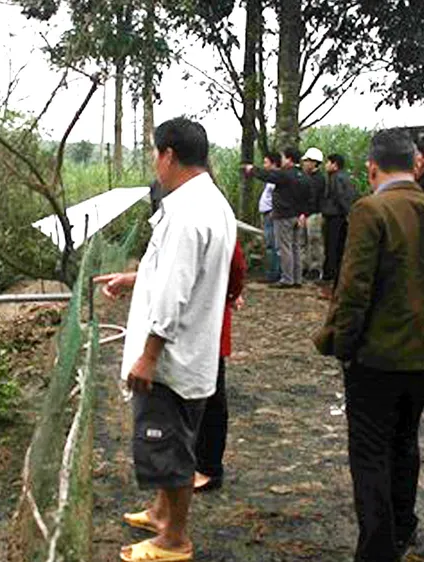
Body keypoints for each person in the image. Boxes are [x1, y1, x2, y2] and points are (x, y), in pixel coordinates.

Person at [313, 129, 424, 562]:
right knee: (405, 442)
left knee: (369, 454)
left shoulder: (371, 210)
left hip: (375, 360)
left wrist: (343, 347)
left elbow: (353, 292)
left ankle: (377, 551)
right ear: (416, 164)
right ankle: (403, 529)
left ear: (371, 168)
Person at [94, 117, 236, 562]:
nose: (155, 162)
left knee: (168, 445)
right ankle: (160, 513)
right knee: (172, 440)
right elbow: (184, 272)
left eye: (156, 154)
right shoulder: (210, 203)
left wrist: (148, 356)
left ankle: (174, 539)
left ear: (169, 155)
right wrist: (136, 277)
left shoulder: (186, 213)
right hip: (193, 348)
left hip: (172, 358)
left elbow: (175, 292)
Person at [193, 239, 246, 493]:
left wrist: (231, 293)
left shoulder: (209, 212)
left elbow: (236, 264)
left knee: (211, 396)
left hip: (205, 320)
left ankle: (208, 467)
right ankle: (202, 462)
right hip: (201, 318)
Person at [244, 148, 309, 288]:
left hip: (284, 215)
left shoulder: (285, 175)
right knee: (296, 247)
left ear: (290, 159)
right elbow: (308, 197)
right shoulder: (303, 176)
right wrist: (303, 213)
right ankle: (297, 279)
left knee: (284, 247)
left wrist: (253, 170)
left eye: (284, 158)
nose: (282, 161)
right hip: (297, 216)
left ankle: (287, 279)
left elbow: (268, 176)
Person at [321, 153, 358, 286]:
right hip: (341, 216)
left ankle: (330, 275)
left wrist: (347, 212)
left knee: (332, 246)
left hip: (335, 216)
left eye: (328, 162)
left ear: (334, 165)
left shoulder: (336, 178)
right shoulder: (346, 177)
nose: (326, 165)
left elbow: (340, 196)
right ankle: (336, 274)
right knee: (339, 246)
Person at [257, 152, 283, 283]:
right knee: (271, 244)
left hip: (271, 214)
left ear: (273, 163)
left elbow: (277, 197)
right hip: (267, 213)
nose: (264, 165)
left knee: (272, 245)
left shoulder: (276, 178)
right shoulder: (271, 179)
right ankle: (273, 272)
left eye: (266, 162)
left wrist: (273, 210)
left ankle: (274, 273)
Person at [301, 147, 326, 280]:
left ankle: (315, 269)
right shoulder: (307, 177)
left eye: (307, 161)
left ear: (314, 162)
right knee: (303, 241)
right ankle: (304, 266)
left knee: (314, 241)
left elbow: (313, 199)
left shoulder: (318, 179)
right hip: (305, 214)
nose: (304, 163)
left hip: (314, 214)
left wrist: (305, 213)